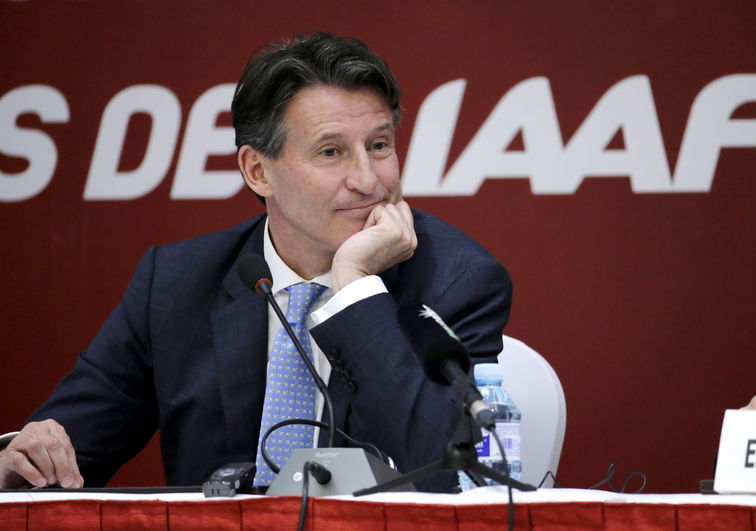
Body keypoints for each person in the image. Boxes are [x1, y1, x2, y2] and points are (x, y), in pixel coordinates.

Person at [0, 33, 512, 493]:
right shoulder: (174, 283)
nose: (368, 179)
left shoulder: (458, 280)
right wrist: (22, 455)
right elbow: (58, 457)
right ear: (257, 170)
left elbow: (454, 478)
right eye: (331, 152)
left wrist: (354, 286)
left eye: (379, 145)